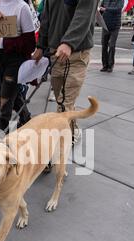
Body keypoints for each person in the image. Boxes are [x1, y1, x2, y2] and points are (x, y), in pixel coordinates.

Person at [33, 0, 98, 144]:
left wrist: (69, 42)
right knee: (61, 100)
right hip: (55, 52)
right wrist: (40, 46)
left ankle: (62, 142)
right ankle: (72, 129)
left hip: (77, 53)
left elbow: (84, 15)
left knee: (65, 103)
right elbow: (46, 18)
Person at [0, 0, 36, 134]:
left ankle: (0, 132)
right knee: (12, 92)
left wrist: (3, 41)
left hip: (16, 59)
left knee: (5, 96)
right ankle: (27, 119)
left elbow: (30, 43)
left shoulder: (22, 7)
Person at [99, 0, 124, 73]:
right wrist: (98, 11)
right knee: (104, 45)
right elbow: (101, 9)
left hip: (115, 25)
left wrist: (106, 9)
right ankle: (105, 65)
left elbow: (118, 9)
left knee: (112, 45)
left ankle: (110, 65)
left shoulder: (120, 1)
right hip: (105, 24)